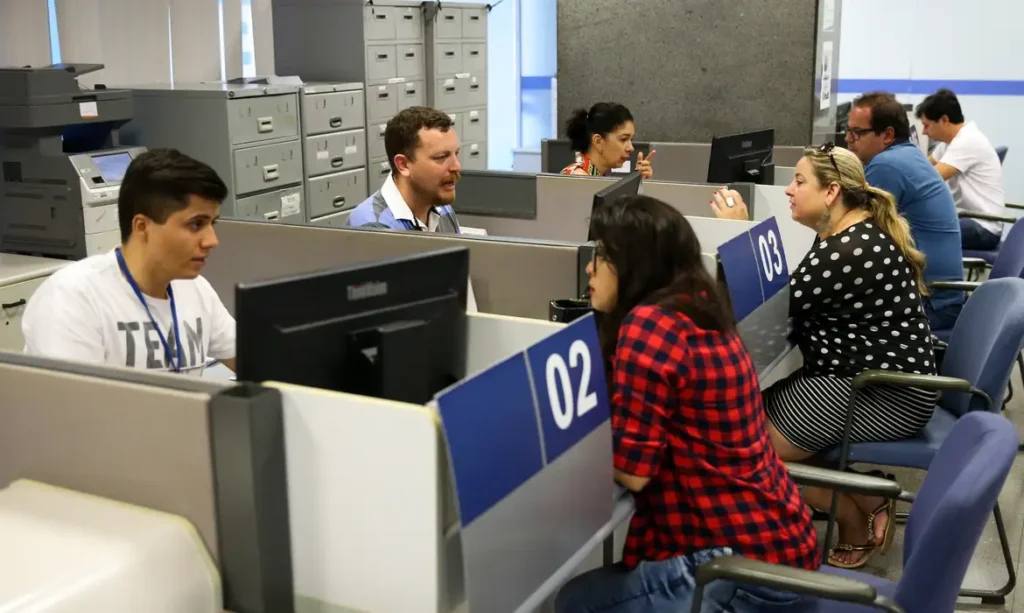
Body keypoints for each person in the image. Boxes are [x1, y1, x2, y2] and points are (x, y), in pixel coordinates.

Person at [555, 195, 817, 613]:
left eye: (602, 255)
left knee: (576, 602)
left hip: (740, 568)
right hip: (779, 543)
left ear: (634, 264)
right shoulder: (699, 305)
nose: (590, 268)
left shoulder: (650, 325)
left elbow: (634, 472)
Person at [712, 144, 939, 569]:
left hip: (884, 393)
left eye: (799, 181)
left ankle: (852, 517)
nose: (788, 190)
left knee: (745, 444)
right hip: (855, 379)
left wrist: (741, 236)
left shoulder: (849, 250)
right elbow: (792, 300)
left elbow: (775, 306)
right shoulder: (845, 235)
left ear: (832, 192)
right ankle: (866, 494)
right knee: (742, 423)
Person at [22, 148, 236, 375]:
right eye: (196, 224)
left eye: (212, 223)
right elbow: (74, 397)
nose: (212, 241)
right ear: (142, 227)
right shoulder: (72, 299)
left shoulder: (195, 289)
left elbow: (253, 362)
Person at [844, 91, 964, 330]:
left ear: (888, 135)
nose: (848, 139)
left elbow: (853, 234)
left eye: (857, 132)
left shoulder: (886, 165)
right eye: (848, 130)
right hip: (940, 296)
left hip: (930, 303)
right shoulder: (907, 154)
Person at [916, 88, 1007, 250]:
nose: (924, 132)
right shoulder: (950, 142)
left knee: (914, 233)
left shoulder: (967, 141)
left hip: (982, 227)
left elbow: (929, 180)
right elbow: (922, 167)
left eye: (926, 125)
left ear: (944, 120)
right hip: (969, 219)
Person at [347, 106, 462, 233]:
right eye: (441, 157)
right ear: (403, 165)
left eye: (456, 154)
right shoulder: (372, 227)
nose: (456, 166)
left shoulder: (443, 210)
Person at [561, 102, 655, 179]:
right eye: (623, 139)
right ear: (598, 141)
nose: (631, 148)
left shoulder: (597, 177)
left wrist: (638, 181)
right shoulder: (577, 178)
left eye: (631, 139)